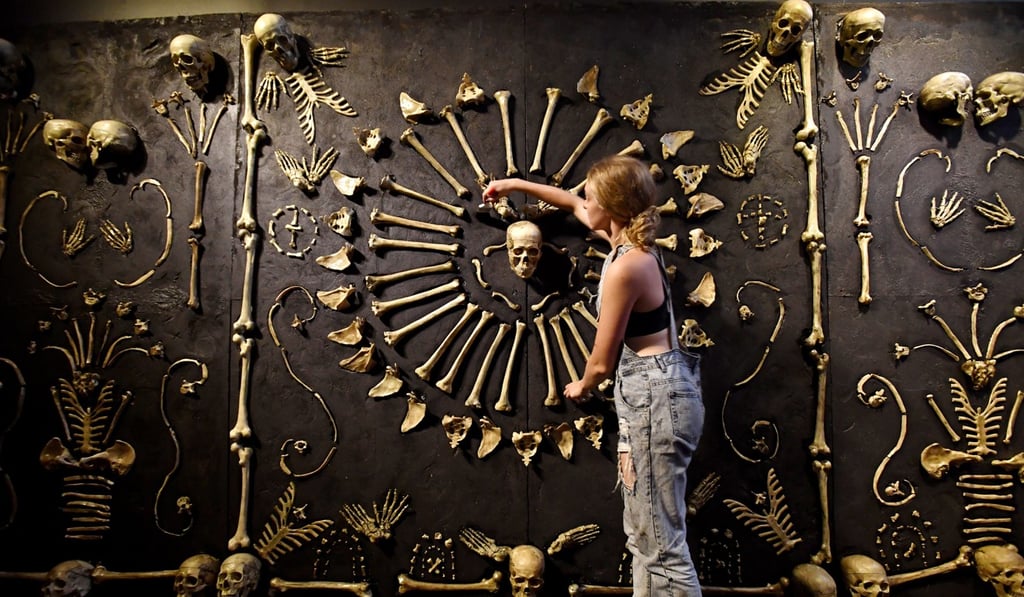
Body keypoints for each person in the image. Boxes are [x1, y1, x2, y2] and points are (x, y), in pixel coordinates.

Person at [483, 155, 705, 596]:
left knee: (660, 543)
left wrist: (581, 386)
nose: (586, 199)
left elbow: (602, 361)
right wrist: (511, 185)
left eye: (594, 194)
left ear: (614, 205)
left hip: (653, 395)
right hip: (652, 393)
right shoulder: (626, 242)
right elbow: (569, 203)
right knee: (646, 536)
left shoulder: (627, 266)